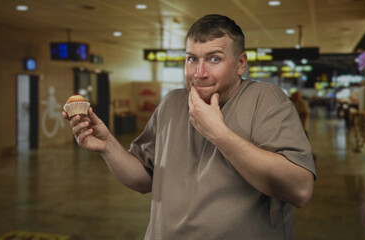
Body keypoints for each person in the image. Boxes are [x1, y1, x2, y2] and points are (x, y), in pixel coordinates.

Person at [63, 14, 316, 240]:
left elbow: (300, 190)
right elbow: (143, 179)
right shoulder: (172, 103)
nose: (199, 72)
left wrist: (218, 133)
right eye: (192, 59)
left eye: (214, 59)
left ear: (241, 64)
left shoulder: (265, 100)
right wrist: (107, 145)